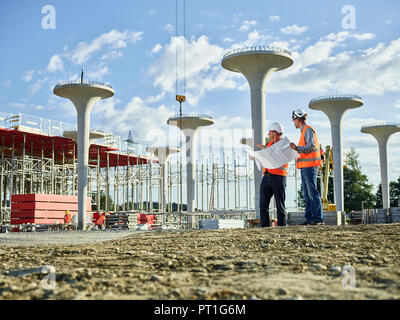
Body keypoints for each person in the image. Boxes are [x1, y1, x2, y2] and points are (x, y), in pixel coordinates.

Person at [289, 109, 325, 225]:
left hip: (310, 167)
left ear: (298, 119)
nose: (293, 122)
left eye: (293, 120)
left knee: (312, 193)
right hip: (305, 167)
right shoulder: (304, 131)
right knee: (307, 195)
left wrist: (297, 148)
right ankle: (310, 219)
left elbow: (311, 147)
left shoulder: (308, 130)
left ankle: (318, 219)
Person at [258, 122, 288, 227]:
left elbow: (277, 155)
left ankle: (281, 226)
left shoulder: (284, 145)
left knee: (280, 205)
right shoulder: (269, 145)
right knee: (263, 204)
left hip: (279, 177)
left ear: (275, 133)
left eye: (270, 132)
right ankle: (265, 226)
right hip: (267, 176)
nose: (268, 134)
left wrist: (266, 150)